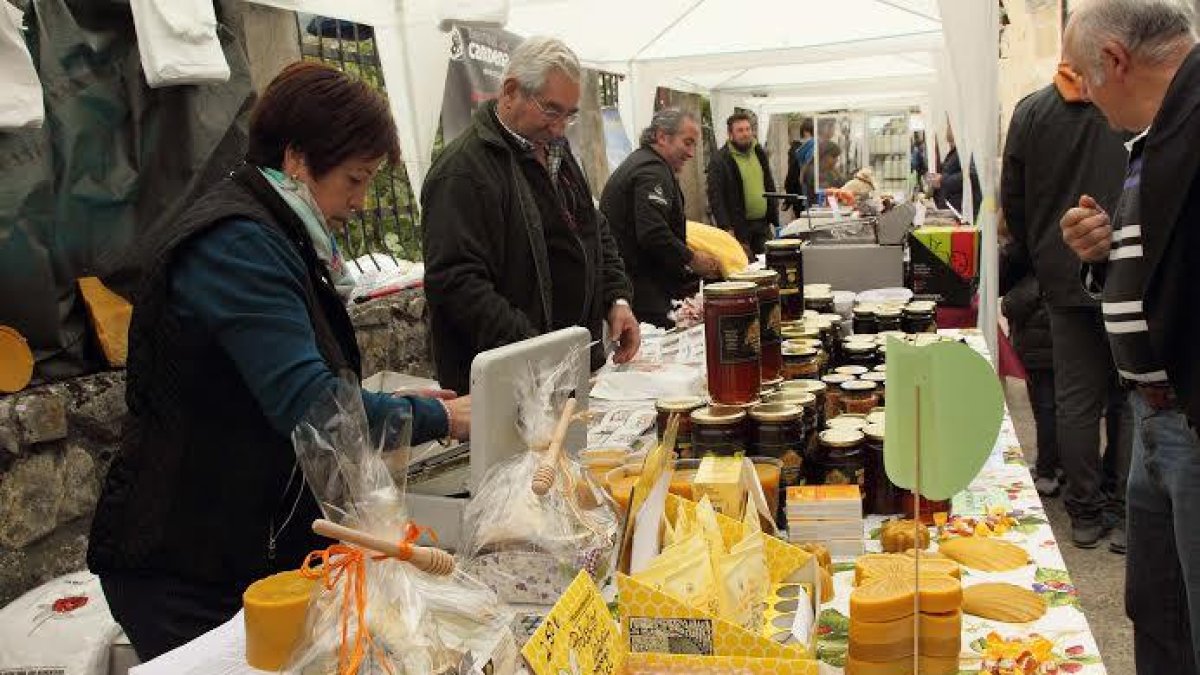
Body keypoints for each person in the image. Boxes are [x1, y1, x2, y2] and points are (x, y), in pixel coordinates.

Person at [86, 62, 470, 661]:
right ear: (297, 160)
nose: (361, 202)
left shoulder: (279, 234)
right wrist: (436, 419)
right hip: (185, 565)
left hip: (250, 542)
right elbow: (315, 408)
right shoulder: (236, 244)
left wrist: (409, 408)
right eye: (354, 179)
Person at [1059, 2, 1200, 670]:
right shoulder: (1157, 135)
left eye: (1085, 77)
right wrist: (1102, 260)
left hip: (1184, 420)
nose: (1084, 96)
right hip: (1151, 416)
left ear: (1115, 60)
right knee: (1158, 612)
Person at [421, 36, 639, 394]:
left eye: (569, 115)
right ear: (510, 92)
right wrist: (538, 352)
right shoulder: (462, 171)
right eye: (551, 110)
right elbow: (456, 283)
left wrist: (616, 298)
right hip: (511, 386)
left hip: (566, 374)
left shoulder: (556, 149)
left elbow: (593, 227)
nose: (559, 127)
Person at [1001, 66, 1131, 549]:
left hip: (1058, 270)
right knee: (1124, 397)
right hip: (1123, 266)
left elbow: (1013, 202)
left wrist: (1038, 251)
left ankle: (1084, 510)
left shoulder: (1032, 111)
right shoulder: (1124, 99)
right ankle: (1120, 510)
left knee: (1075, 398)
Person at [599, 109, 721, 328]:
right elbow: (653, 232)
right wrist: (692, 259)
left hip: (639, 286)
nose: (692, 153)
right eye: (687, 142)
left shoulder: (644, 163)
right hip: (644, 292)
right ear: (662, 137)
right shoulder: (652, 171)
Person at [1000, 240, 1061, 502]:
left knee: (1045, 407)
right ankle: (1056, 465)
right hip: (1058, 337)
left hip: (1038, 340)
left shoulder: (1025, 248)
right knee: (1060, 407)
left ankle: (1048, 470)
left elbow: (1006, 292)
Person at [706, 111, 778, 255]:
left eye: (748, 129)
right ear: (730, 134)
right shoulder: (720, 160)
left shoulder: (759, 152)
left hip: (762, 224)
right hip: (739, 227)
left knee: (768, 263)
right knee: (746, 268)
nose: (745, 134)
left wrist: (773, 210)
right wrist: (725, 227)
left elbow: (768, 182)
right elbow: (716, 196)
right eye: (740, 130)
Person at [929, 125, 982, 216]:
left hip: (960, 212)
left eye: (950, 126)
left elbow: (972, 174)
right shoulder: (955, 151)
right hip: (952, 210)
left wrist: (942, 180)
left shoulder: (967, 149)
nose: (947, 130)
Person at [783, 117, 815, 213]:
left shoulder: (796, 149)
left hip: (799, 193)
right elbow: (794, 175)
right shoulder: (808, 147)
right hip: (802, 192)